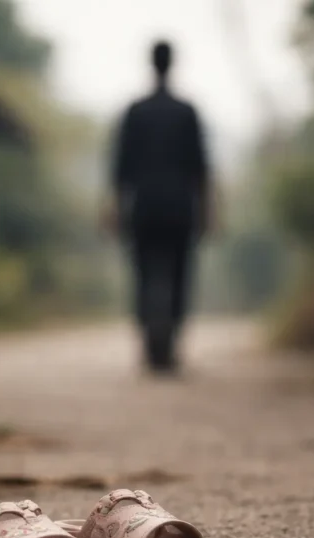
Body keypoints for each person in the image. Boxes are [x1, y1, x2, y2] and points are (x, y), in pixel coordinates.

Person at [103, 39, 213, 374]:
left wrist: (113, 207)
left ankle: (151, 345)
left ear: (151, 64)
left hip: (144, 207)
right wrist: (208, 209)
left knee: (143, 273)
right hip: (181, 207)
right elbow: (201, 167)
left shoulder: (135, 112)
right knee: (179, 274)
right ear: (173, 64)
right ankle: (171, 344)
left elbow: (120, 167)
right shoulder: (187, 111)